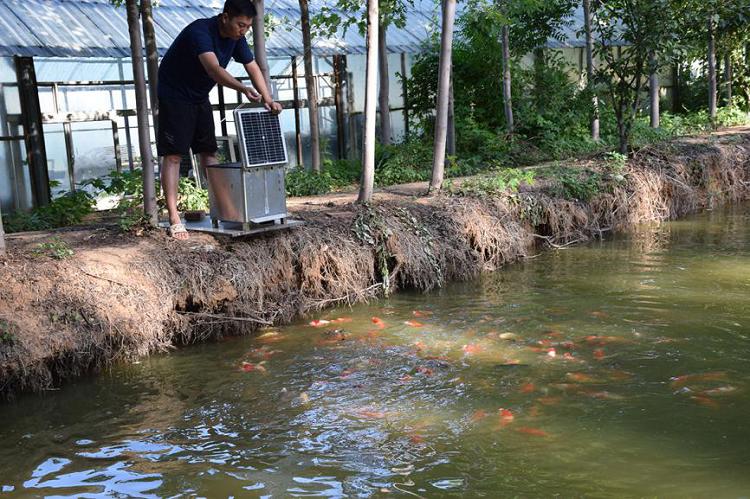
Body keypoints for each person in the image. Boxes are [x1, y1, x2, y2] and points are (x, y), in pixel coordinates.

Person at [157, 0, 283, 240]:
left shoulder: (237, 37)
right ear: (225, 17)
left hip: (199, 96)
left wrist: (268, 98)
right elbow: (214, 70)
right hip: (174, 95)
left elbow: (252, 66)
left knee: (209, 153)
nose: (243, 31)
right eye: (240, 25)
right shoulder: (199, 32)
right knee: (174, 155)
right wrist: (243, 89)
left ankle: (226, 211)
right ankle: (174, 218)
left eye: (247, 27)